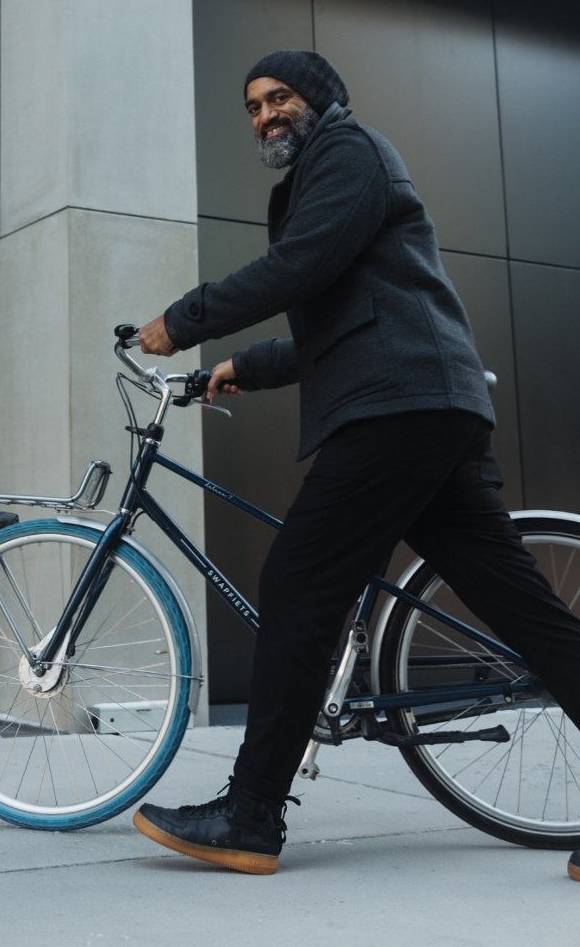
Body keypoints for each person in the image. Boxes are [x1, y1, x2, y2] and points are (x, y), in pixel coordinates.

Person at [130, 49, 580, 877]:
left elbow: (299, 269)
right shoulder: (330, 176)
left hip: (398, 410)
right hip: (424, 407)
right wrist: (240, 368)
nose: (265, 116)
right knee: (525, 615)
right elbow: (338, 317)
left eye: (279, 97)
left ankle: (250, 814)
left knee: (300, 585)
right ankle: (252, 809)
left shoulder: (348, 152)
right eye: (253, 107)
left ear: (321, 99)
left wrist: (183, 320)